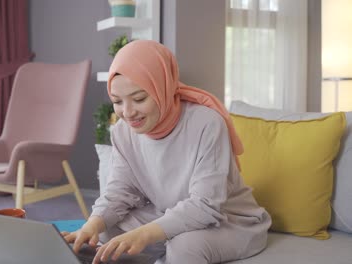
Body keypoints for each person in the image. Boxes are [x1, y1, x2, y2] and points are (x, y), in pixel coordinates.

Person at [62, 40, 272, 264]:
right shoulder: (122, 132)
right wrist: (92, 223)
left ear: (162, 87)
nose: (128, 112)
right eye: (117, 101)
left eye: (139, 98)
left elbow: (205, 205)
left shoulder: (207, 123)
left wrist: (145, 234)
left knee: (184, 247)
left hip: (228, 220)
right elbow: (120, 192)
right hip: (169, 213)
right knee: (103, 234)